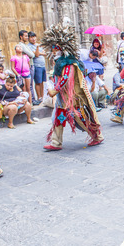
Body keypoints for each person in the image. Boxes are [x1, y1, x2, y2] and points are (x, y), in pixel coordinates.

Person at [41, 23, 103, 151]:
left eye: (55, 48)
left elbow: (65, 78)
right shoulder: (62, 62)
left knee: (79, 117)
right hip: (63, 98)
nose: (53, 51)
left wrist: (54, 90)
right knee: (59, 116)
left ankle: (96, 136)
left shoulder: (69, 63)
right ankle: (56, 142)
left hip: (72, 97)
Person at [28, 32, 47, 105]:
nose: (33, 39)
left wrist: (39, 52)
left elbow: (45, 53)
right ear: (29, 38)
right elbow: (36, 54)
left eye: (34, 37)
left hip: (42, 65)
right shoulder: (29, 46)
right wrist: (38, 49)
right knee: (38, 82)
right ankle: (39, 97)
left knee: (42, 82)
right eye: (31, 37)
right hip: (37, 65)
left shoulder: (38, 45)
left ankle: (42, 97)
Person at [18, 30, 35, 99]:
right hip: (26, 67)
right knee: (28, 85)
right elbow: (32, 54)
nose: (27, 37)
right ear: (21, 37)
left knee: (30, 84)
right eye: (25, 36)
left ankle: (32, 99)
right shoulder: (21, 45)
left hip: (30, 64)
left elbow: (31, 54)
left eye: (27, 36)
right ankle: (31, 100)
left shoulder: (25, 45)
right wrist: (30, 54)